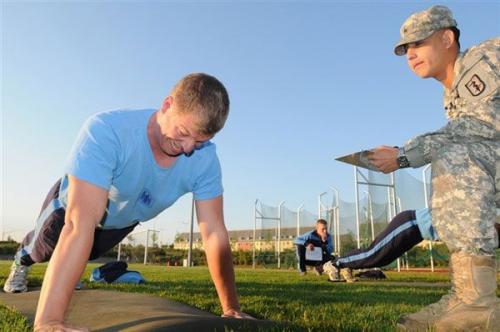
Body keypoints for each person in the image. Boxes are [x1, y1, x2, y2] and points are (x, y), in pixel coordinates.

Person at [2, 73, 253, 331]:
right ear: (167, 105)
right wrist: (49, 322)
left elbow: (213, 235)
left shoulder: (205, 160)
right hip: (70, 208)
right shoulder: (107, 130)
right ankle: (21, 262)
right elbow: (79, 225)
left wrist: (231, 308)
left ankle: (68, 272)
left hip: (121, 222)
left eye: (200, 141)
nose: (188, 148)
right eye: (183, 133)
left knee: (88, 253)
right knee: (41, 249)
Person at [368, 5, 499, 331]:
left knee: (456, 156)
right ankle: (466, 294)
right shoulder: (452, 95)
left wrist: (403, 154)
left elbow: (479, 127)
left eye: (417, 44)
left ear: (446, 38)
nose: (410, 55)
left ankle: (477, 302)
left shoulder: (482, 60)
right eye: (405, 50)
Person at [323, 209, 500, 283]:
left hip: (416, 233)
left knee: (383, 259)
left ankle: (348, 266)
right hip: (410, 222)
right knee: (374, 253)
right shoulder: (490, 216)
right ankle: (335, 263)